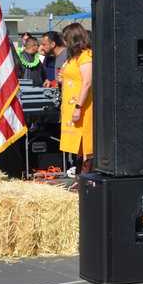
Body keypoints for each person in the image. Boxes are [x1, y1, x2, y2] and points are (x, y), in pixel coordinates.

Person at [58, 23, 93, 188]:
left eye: (66, 39)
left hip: (83, 107)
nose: (64, 42)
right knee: (77, 145)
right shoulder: (73, 57)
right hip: (70, 105)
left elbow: (87, 83)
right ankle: (80, 178)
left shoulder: (86, 56)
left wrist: (78, 108)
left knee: (86, 143)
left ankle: (85, 179)